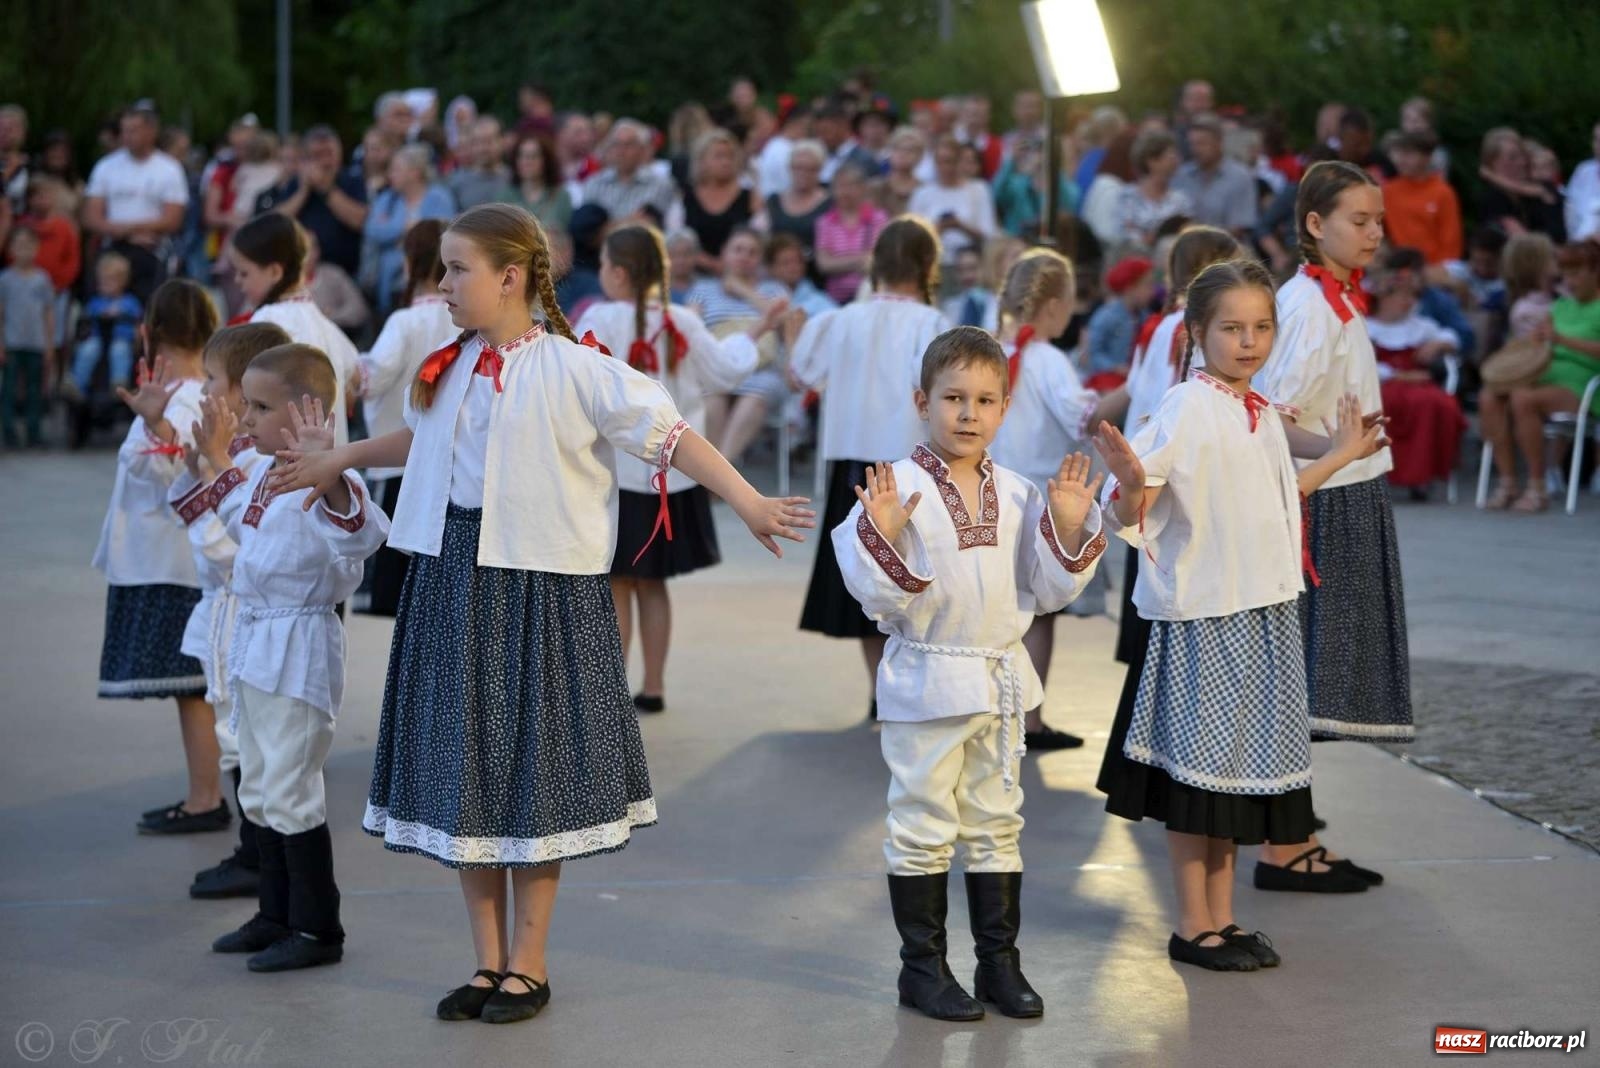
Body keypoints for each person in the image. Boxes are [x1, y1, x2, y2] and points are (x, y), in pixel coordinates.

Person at [266, 202, 812, 1023]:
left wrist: (746, 500)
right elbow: (424, 442)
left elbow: (669, 437)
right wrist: (339, 456)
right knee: (467, 772)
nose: (443, 284)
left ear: (511, 277)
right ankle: (486, 963)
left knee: (531, 775)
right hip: (453, 576)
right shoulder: (446, 365)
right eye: (444, 268)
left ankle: (530, 961)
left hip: (540, 587)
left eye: (457, 269)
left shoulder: (576, 367)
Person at [1093, 258, 1383, 972]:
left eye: (1260, 328)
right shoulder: (1190, 406)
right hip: (1209, 618)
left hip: (1261, 613)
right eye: (1231, 328)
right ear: (1197, 332)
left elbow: (1279, 492)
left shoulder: (1253, 411)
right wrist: (1130, 488)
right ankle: (1193, 925)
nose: (1248, 341)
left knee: (1228, 780)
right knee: (1198, 783)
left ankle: (1221, 919)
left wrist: (1344, 451)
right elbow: (1133, 499)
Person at [836, 327, 1106, 1021]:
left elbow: (1049, 593)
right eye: (953, 397)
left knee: (996, 822)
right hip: (927, 680)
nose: (968, 413)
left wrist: (1069, 529)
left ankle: (998, 964)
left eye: (985, 400)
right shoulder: (897, 487)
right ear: (922, 400)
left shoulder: (1017, 493)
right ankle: (921, 970)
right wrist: (889, 533)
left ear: (1004, 408)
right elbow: (878, 599)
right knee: (923, 823)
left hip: (999, 683)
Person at [192, 344, 389, 973]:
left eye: (260, 406)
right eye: (246, 403)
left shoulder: (332, 478)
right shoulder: (259, 470)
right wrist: (213, 457)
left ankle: (316, 929)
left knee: (291, 784)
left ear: (306, 411)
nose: (246, 417)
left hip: (297, 644)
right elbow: (227, 513)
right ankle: (274, 914)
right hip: (255, 640)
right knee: (259, 780)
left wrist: (328, 472)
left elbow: (362, 532)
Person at [1252, 161, 1409, 891]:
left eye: (1379, 220)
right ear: (1315, 225)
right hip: (1325, 505)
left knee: (1310, 682)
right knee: (1299, 682)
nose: (1375, 232)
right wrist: (1340, 450)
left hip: (1347, 492)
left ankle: (1294, 832)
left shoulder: (1333, 300)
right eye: (1360, 220)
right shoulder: (1310, 307)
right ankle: (1281, 848)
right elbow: (1271, 419)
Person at [576, 224, 783, 712]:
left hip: (619, 475)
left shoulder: (602, 317)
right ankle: (654, 686)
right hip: (671, 470)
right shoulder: (681, 321)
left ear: (620, 273)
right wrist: (758, 329)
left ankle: (612, 692)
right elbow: (725, 370)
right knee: (653, 585)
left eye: (604, 265)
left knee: (617, 584)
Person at [791, 218, 950, 713]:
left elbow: (802, 375)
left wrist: (794, 332)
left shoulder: (840, 320)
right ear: (928, 266)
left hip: (851, 459)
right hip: (910, 463)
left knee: (868, 581)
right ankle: (913, 686)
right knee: (921, 575)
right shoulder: (933, 324)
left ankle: (878, 689)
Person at [166, 322, 294, 900]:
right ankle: (253, 851)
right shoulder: (239, 452)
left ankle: (259, 858)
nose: (204, 387)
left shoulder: (257, 460)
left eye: (212, 379)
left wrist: (213, 466)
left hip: (245, 613)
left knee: (247, 740)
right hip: (228, 614)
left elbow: (229, 548)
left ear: (240, 392)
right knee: (236, 733)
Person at [91, 280, 221, 831]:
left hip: (173, 567)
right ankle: (205, 793)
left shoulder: (183, 396)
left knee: (193, 690)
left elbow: (175, 466)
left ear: (150, 332)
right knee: (192, 690)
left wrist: (155, 424)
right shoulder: (192, 391)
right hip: (171, 561)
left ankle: (205, 799)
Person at [989, 249, 1126, 749]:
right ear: (1053, 305)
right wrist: (1133, 388)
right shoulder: (1046, 358)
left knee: (994, 609)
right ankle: (1031, 719)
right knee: (1039, 612)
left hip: (994, 492)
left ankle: (990, 712)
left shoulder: (992, 350)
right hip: (1037, 494)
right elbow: (1080, 418)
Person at [1112, 226, 1242, 665]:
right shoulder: (1197, 332)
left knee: (1147, 638)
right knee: (1166, 631)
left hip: (1144, 473)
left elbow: (1133, 389)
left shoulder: (1158, 325)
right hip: (1169, 486)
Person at [359, 219, 454, 617]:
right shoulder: (460, 319)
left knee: (391, 554)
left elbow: (375, 377)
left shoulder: (405, 321)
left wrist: (353, 368)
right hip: (446, 456)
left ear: (410, 260)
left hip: (395, 451)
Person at [1479, 239, 1600, 512]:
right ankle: (1508, 482)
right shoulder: (1560, 307)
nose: (1570, 280)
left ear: (1596, 271)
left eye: (1577, 273)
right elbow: (1540, 345)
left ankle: (1537, 486)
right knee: (1489, 397)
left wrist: (1562, 340)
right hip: (1543, 377)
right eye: (1566, 273)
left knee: (1523, 399)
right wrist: (1532, 340)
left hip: (1583, 386)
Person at [233, 212, 359, 445]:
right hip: (328, 460)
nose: (238, 281)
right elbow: (356, 383)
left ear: (274, 272)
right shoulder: (321, 319)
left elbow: (244, 391)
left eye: (244, 273)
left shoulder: (267, 319)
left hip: (289, 461)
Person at [685, 228, 790, 465]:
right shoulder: (703, 290)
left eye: (752, 252)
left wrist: (742, 289)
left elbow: (783, 321)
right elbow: (689, 326)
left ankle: (719, 472)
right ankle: (714, 475)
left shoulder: (773, 290)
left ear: (760, 260)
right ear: (724, 254)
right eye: (738, 250)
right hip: (716, 366)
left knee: (756, 394)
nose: (744, 256)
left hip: (761, 369)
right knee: (712, 395)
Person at [1363, 264, 1466, 499]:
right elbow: (1358, 363)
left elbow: (1452, 337)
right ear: (1384, 298)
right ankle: (1382, 473)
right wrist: (1397, 375)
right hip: (1380, 385)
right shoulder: (1367, 327)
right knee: (1386, 406)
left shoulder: (1420, 326)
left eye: (1412, 296)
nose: (1408, 302)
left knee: (1442, 405)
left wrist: (1438, 344)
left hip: (1419, 384)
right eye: (1402, 296)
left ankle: (1423, 476)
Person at [82, 104, 189, 304]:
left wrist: (130, 229)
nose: (127, 136)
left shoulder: (169, 169)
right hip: (113, 247)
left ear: (151, 131)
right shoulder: (106, 166)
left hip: (152, 250)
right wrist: (125, 233)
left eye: (133, 130)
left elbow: (173, 219)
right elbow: (90, 216)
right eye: (124, 131)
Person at [254, 126, 369, 279]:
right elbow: (275, 224)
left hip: (346, 273)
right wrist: (303, 191)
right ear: (306, 159)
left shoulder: (352, 180)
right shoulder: (296, 183)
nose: (326, 160)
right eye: (318, 155)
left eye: (329, 153)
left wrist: (326, 189)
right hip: (302, 272)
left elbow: (360, 221)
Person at [363, 145, 454, 316]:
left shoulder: (439, 197)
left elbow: (440, 234)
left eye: (396, 169)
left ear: (415, 172)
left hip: (430, 283)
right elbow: (373, 230)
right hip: (389, 286)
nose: (390, 174)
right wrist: (404, 228)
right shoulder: (387, 199)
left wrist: (394, 236)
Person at [909, 135, 998, 281]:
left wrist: (960, 226)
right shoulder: (922, 194)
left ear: (959, 162)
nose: (945, 168)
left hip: (971, 266)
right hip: (935, 265)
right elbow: (913, 239)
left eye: (949, 161)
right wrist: (938, 229)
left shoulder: (978, 189)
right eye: (940, 162)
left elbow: (989, 233)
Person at [0, 226, 56, 447]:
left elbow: (49, 313)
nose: (23, 251)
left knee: (35, 389)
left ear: (36, 248)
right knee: (10, 389)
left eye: (28, 246)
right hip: (13, 342)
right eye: (19, 246)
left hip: (36, 343)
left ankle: (34, 431)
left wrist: (50, 344)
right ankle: (9, 431)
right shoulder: (5, 279)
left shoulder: (42, 279)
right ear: (11, 249)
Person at [681, 129, 759, 270]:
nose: (726, 162)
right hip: (693, 275)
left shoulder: (750, 197)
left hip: (739, 274)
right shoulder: (686, 197)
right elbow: (677, 238)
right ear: (702, 160)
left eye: (730, 156)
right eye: (719, 156)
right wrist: (712, 264)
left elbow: (759, 238)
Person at [1382, 132, 1462, 266]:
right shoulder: (1387, 192)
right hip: (1398, 270)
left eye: (1409, 154)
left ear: (1427, 158)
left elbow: (1451, 244)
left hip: (1436, 270)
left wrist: (1435, 271)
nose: (1402, 159)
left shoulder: (1443, 192)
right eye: (1400, 154)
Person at [1171, 116, 1258, 239]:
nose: (1196, 149)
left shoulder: (1239, 176)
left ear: (1219, 143)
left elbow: (1238, 228)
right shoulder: (1180, 175)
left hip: (1227, 250)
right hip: (1185, 247)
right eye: (1192, 144)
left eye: (1201, 144)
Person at [814, 161, 887, 304]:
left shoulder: (877, 218)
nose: (845, 192)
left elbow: (879, 259)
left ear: (863, 188)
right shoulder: (825, 222)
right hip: (835, 300)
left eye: (850, 186)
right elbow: (824, 264)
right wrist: (861, 259)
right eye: (840, 186)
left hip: (871, 296)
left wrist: (839, 262)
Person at [582, 119, 680, 224]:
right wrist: (629, 221)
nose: (621, 151)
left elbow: (658, 226)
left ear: (642, 149)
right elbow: (586, 228)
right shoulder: (594, 183)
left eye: (629, 145)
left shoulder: (662, 185)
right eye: (616, 144)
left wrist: (605, 227)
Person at [71, 251, 142, 394]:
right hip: (98, 339)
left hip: (121, 339)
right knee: (88, 349)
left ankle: (119, 383)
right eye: (102, 281)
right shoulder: (96, 302)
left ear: (122, 281)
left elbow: (137, 322)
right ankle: (77, 384)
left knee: (119, 351)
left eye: (110, 280)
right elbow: (87, 319)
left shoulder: (130, 302)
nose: (105, 284)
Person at [1478, 128, 1565, 242]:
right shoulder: (1494, 200)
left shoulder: (1540, 187)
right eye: (1512, 158)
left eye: (1522, 155)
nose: (1522, 162)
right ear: (1493, 164)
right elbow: (1523, 244)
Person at [761, 140, 832, 272]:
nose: (802, 173)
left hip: (815, 272)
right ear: (789, 168)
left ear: (819, 170)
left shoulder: (831, 202)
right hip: (778, 272)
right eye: (797, 167)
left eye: (809, 168)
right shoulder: (774, 201)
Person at [1119, 130, 1190, 252]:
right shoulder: (1127, 196)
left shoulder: (1180, 199)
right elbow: (1122, 232)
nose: (1177, 159)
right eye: (1171, 155)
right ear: (1152, 161)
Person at [500, 133, 572, 234]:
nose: (526, 162)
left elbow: (566, 237)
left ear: (546, 161)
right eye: (521, 156)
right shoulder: (505, 196)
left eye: (533, 156)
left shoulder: (561, 196)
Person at [303, 230, 369, 337]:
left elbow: (359, 309)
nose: (309, 254)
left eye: (312, 247)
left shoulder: (334, 275)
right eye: (302, 248)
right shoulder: (283, 285)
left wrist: (330, 316)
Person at [448, 117, 513, 211]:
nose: (483, 148)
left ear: (502, 142)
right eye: (478, 142)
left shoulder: (514, 179)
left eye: (489, 142)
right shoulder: (456, 182)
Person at [873, 126, 925, 218]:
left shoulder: (923, 189)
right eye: (897, 148)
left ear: (919, 156)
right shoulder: (876, 188)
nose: (903, 154)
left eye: (910, 150)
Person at [1564, 122, 1600, 243]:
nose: (1598, 145)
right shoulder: (1583, 171)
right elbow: (1570, 212)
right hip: (1579, 249)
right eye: (1596, 139)